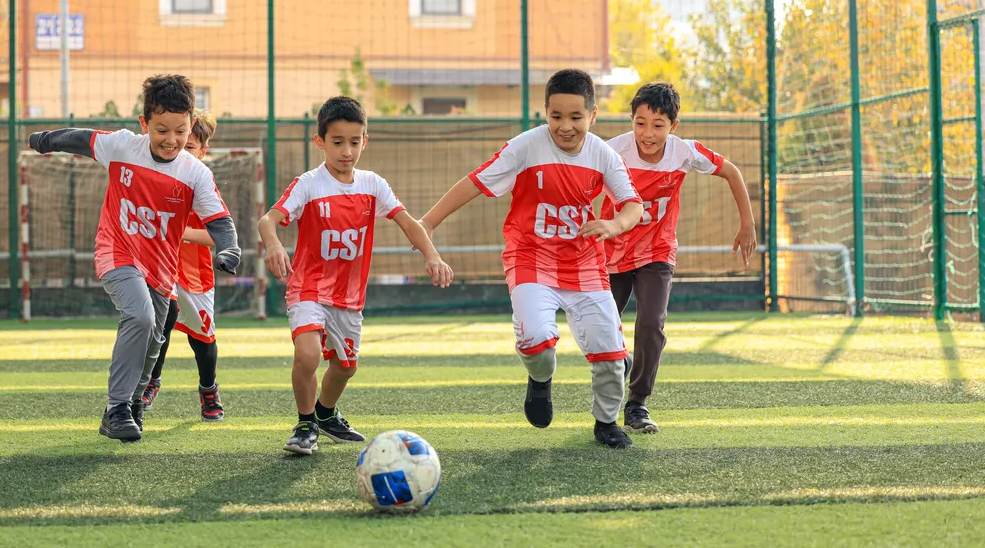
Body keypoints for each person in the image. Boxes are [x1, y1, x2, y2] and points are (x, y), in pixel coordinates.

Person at [421, 69, 643, 449]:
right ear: (545, 112)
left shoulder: (603, 154)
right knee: (538, 342)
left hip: (585, 265)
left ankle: (606, 422)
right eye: (556, 116)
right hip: (530, 260)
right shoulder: (524, 147)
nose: (565, 126)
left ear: (593, 116)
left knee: (611, 356)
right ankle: (540, 380)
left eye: (576, 117)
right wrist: (425, 223)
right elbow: (474, 183)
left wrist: (614, 224)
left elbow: (633, 205)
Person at [28, 74, 239, 442]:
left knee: (155, 338)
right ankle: (116, 408)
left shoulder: (196, 173)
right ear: (144, 124)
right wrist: (47, 140)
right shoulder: (124, 147)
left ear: (190, 125)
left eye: (180, 131)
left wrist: (229, 248)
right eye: (161, 130)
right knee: (139, 315)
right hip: (117, 251)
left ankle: (136, 400)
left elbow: (220, 220)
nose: (172, 140)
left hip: (161, 268)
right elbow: (81, 139)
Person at [258, 96, 453, 456]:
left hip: (348, 297)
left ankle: (326, 414)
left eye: (354, 141)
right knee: (308, 354)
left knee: (345, 369)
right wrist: (273, 245)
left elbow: (407, 221)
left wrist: (432, 255)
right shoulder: (308, 184)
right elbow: (268, 219)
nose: (346, 151)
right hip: (308, 288)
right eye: (337, 142)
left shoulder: (373, 184)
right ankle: (305, 425)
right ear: (320, 142)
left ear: (365, 140)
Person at [602, 81, 757, 433]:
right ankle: (620, 360)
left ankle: (637, 404)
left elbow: (731, 171)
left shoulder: (685, 152)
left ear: (674, 126)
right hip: (611, 251)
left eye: (658, 125)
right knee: (600, 326)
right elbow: (583, 186)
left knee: (651, 323)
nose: (648, 133)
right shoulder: (612, 152)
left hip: (657, 252)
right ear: (631, 121)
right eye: (640, 123)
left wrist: (747, 223)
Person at [142, 110, 226, 421]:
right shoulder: (157, 176)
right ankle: (151, 380)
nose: (181, 151)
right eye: (179, 145)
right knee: (162, 317)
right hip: (162, 267)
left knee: (202, 338)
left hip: (196, 274)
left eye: (190, 147)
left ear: (203, 152)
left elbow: (216, 236)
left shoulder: (204, 184)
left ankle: (208, 388)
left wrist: (180, 232)